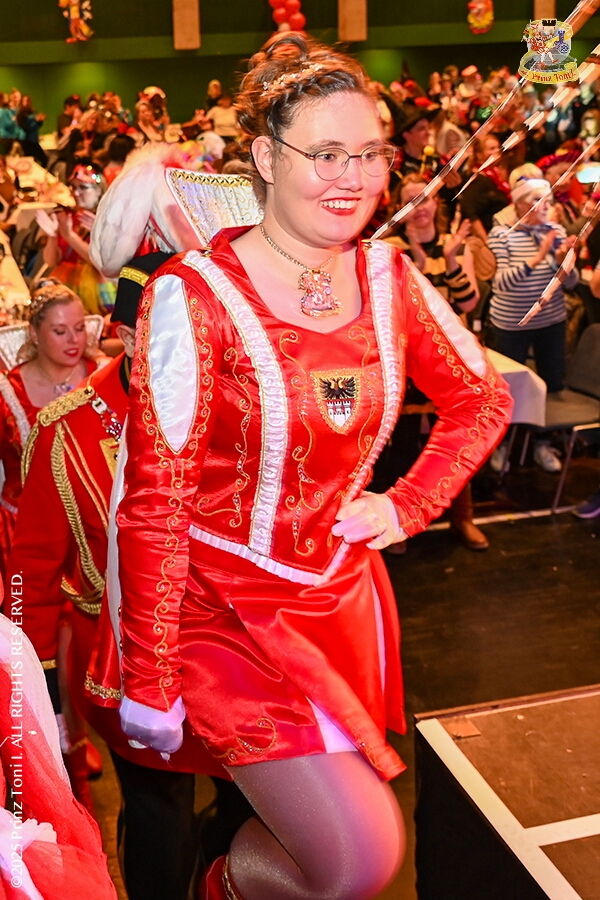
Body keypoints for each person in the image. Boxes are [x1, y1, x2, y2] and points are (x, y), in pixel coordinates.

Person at [116, 33, 512, 900]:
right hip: (222, 611)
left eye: (370, 153)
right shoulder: (193, 294)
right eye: (326, 153)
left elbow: (484, 400)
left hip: (341, 604)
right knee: (358, 859)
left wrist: (405, 505)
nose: (354, 177)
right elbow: (155, 499)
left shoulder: (389, 275)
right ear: (266, 158)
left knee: (340, 855)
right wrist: (148, 674)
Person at [8, 254, 248, 900]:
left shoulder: (243, 404)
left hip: (235, 663)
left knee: (245, 815)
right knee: (159, 827)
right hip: (124, 667)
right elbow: (30, 577)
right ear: (131, 337)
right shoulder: (68, 433)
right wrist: (34, 693)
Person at [383, 174, 488, 551]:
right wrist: (421, 263)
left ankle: (463, 518)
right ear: (400, 208)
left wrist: (450, 260)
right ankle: (398, 522)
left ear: (435, 204)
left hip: (447, 359)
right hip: (407, 360)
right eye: (411, 200)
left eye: (425, 199)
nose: (420, 207)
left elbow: (468, 303)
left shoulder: (453, 244)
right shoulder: (390, 248)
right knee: (403, 442)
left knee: (457, 440)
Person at [0, 282, 97, 581]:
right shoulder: (8, 393)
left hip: (91, 540)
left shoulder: (102, 378)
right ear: (34, 334)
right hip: (24, 536)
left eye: (79, 328)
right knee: (25, 608)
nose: (74, 340)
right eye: (60, 331)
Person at [488, 175, 578, 473]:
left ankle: (542, 442)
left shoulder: (556, 231)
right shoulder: (501, 235)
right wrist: (539, 257)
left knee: (551, 384)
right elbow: (501, 283)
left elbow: (571, 284)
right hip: (511, 324)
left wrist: (565, 262)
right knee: (507, 387)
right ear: (519, 204)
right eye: (537, 200)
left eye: (548, 201)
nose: (545, 206)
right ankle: (501, 444)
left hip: (551, 321)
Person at [37, 162, 117, 315]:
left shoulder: (109, 220)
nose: (76, 192)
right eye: (73, 187)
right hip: (66, 288)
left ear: (99, 190)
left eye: (83, 187)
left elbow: (99, 262)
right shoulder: (69, 217)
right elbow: (52, 261)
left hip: (97, 295)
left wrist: (70, 236)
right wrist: (52, 237)